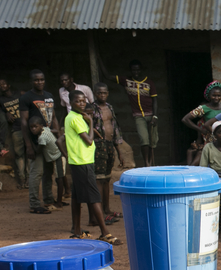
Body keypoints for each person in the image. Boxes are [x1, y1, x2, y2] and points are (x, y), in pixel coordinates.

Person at [64, 90, 120, 244]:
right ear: (70, 103)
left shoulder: (75, 117)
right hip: (82, 162)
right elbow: (89, 140)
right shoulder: (76, 119)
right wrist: (90, 122)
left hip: (79, 161)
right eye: (78, 101)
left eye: (83, 101)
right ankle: (105, 233)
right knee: (94, 197)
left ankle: (76, 231)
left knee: (76, 197)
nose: (82, 104)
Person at [101, 58, 158, 168]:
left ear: (141, 70)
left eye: (137, 70)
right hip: (138, 116)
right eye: (133, 70)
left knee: (153, 141)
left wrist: (155, 116)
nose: (136, 72)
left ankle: (151, 162)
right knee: (144, 139)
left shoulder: (149, 82)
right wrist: (99, 59)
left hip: (151, 114)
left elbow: (155, 100)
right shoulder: (126, 81)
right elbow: (108, 76)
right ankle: (147, 163)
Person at [19, 69, 59, 214]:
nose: (39, 82)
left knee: (49, 172)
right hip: (35, 141)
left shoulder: (49, 96)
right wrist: (29, 145)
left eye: (41, 79)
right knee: (36, 172)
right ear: (31, 81)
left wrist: (58, 135)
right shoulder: (26, 98)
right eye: (36, 80)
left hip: (49, 140)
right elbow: (23, 122)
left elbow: (53, 117)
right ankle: (34, 204)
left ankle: (49, 200)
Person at [90, 83, 124, 223]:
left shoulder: (109, 107)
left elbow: (115, 128)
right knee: (99, 178)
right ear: (95, 93)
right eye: (99, 93)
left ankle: (107, 209)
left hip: (109, 145)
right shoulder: (91, 109)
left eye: (104, 93)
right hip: (99, 145)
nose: (102, 95)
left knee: (107, 178)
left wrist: (119, 150)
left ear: (107, 93)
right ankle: (99, 214)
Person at [182, 81, 221, 166]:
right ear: (209, 95)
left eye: (219, 95)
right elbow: (185, 119)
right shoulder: (203, 108)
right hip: (210, 138)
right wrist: (200, 129)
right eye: (214, 95)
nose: (216, 98)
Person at [0, 78, 27, 187]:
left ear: (9, 85)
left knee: (31, 153)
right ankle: (22, 179)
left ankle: (30, 179)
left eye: (4, 83)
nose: (2, 86)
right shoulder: (0, 100)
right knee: (19, 154)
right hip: (16, 128)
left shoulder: (19, 93)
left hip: (28, 127)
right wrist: (6, 114)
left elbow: (32, 98)